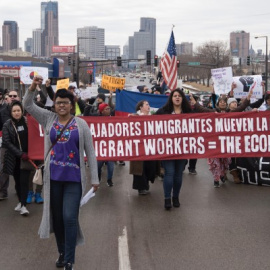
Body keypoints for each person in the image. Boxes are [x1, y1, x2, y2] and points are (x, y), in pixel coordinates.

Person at [23, 76, 99, 270]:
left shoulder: (81, 124)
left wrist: (95, 179)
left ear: (72, 105)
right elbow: (27, 104)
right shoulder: (48, 118)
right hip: (53, 180)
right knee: (57, 219)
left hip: (74, 180)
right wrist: (33, 86)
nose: (61, 106)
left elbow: (90, 151)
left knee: (69, 217)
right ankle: (62, 252)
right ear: (54, 105)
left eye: (65, 103)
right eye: (58, 103)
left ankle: (69, 260)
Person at [156, 89, 192, 210]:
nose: (177, 98)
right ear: (171, 98)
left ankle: (175, 197)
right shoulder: (163, 111)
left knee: (178, 175)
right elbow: (148, 122)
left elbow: (204, 118)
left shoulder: (188, 112)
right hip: (167, 149)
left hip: (183, 148)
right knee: (169, 173)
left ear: (182, 98)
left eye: (179, 96)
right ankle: (167, 198)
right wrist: (133, 117)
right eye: (175, 96)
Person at [2, 101, 32, 215]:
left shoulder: (27, 122)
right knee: (18, 182)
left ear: (22, 111)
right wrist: (20, 153)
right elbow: (7, 142)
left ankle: (24, 205)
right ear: (11, 112)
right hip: (14, 158)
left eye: (18, 110)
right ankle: (20, 201)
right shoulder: (7, 125)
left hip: (26, 158)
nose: (16, 113)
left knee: (24, 181)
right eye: (14, 111)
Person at [129, 100, 158, 195]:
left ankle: (146, 184)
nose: (148, 106)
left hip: (150, 147)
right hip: (138, 147)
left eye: (149, 104)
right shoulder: (134, 117)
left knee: (150, 167)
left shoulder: (152, 117)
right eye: (146, 104)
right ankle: (141, 188)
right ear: (141, 107)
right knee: (139, 168)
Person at [0, 90, 20, 200]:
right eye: (10, 96)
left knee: (20, 168)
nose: (12, 97)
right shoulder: (3, 109)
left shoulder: (24, 109)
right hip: (6, 143)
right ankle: (3, 192)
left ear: (18, 97)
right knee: (4, 167)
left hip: (20, 144)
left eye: (14, 96)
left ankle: (20, 189)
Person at [97, 103, 115, 187]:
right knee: (98, 166)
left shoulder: (114, 120)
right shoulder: (96, 121)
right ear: (101, 112)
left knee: (111, 167)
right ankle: (98, 177)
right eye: (106, 109)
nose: (109, 110)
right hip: (100, 148)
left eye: (109, 108)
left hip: (110, 148)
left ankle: (109, 179)